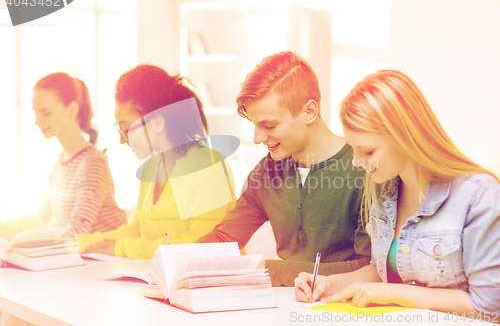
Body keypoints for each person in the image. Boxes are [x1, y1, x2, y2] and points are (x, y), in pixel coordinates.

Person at [294, 70, 500, 317]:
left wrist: (393, 293)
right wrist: (329, 283)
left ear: (405, 137)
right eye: (354, 150)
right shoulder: (382, 189)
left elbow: (488, 306)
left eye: (368, 151)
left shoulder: (479, 196)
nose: (356, 162)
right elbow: (383, 272)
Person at [197, 51, 371, 286]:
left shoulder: (364, 170)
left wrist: (269, 270)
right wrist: (181, 259)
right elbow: (224, 237)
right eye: (255, 125)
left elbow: (368, 267)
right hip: (284, 304)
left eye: (268, 125)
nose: (258, 138)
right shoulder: (267, 171)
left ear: (309, 112)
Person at [77, 64, 235, 259]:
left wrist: (124, 248)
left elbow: (201, 244)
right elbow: (136, 231)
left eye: (126, 130)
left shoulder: (207, 165)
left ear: (158, 123)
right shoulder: (152, 167)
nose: (122, 140)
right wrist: (75, 243)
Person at [0, 72, 126, 237]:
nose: (37, 120)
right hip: (83, 258)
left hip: (105, 257)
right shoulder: (61, 163)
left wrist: (24, 237)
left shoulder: (92, 164)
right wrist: (4, 227)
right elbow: (41, 217)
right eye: (35, 112)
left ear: (72, 110)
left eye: (46, 113)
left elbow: (78, 230)